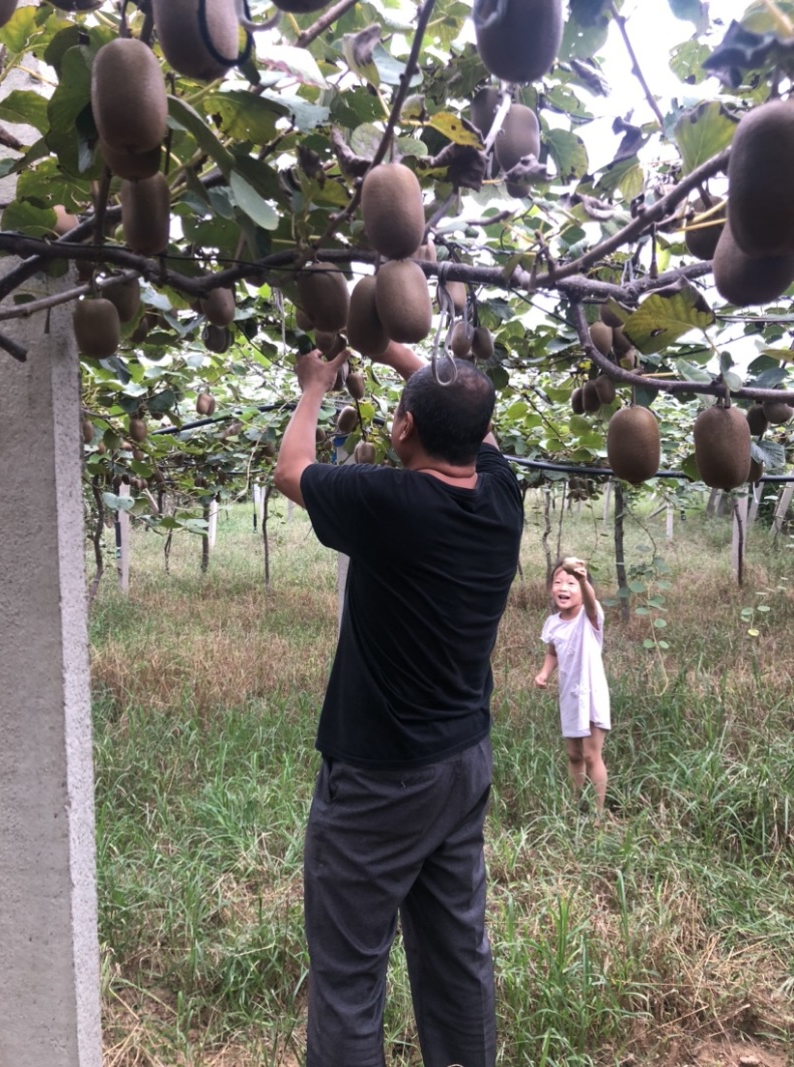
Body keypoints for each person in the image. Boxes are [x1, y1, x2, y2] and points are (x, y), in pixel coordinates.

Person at [274, 339, 523, 1067]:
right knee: (457, 956)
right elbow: (474, 427)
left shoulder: (391, 501)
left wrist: (314, 385)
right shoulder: (501, 496)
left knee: (349, 976)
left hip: (381, 781)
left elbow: (291, 468)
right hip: (461, 764)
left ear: (403, 428)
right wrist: (390, 345)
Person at [534, 557, 611, 814]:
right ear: (550, 588)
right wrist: (544, 673)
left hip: (591, 693)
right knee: (574, 755)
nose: (563, 587)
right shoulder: (553, 622)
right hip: (568, 695)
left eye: (571, 582)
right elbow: (553, 652)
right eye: (557, 582)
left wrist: (581, 577)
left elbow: (591, 600)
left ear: (583, 587)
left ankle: (598, 814)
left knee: (591, 755)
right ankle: (577, 805)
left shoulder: (589, 617)